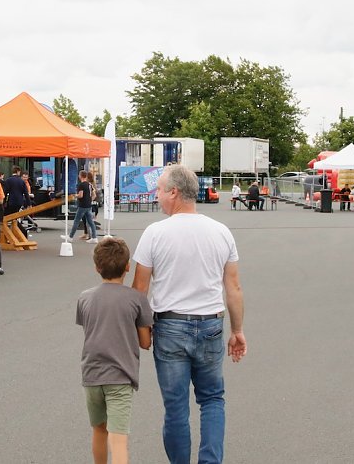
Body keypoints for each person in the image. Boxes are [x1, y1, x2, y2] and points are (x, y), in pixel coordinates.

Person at [132, 164, 247, 464]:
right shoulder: (221, 231)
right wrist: (237, 330)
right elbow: (233, 288)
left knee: (176, 407)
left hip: (169, 326)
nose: (156, 196)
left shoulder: (155, 233)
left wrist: (139, 332)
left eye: (158, 189)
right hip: (210, 324)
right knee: (211, 400)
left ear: (173, 192)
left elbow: (139, 291)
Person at [76, 238, 153, 464]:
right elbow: (145, 342)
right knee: (118, 439)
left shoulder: (85, 297)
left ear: (96, 267)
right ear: (128, 266)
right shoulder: (136, 299)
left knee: (99, 431)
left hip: (91, 374)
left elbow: (89, 328)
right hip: (120, 376)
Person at [61, 170, 99, 244]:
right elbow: (94, 195)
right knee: (91, 222)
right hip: (88, 205)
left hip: (82, 205)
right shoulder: (89, 184)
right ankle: (94, 237)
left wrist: (75, 195)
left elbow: (81, 195)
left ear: (80, 176)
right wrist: (89, 200)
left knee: (76, 221)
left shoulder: (81, 185)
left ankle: (70, 237)